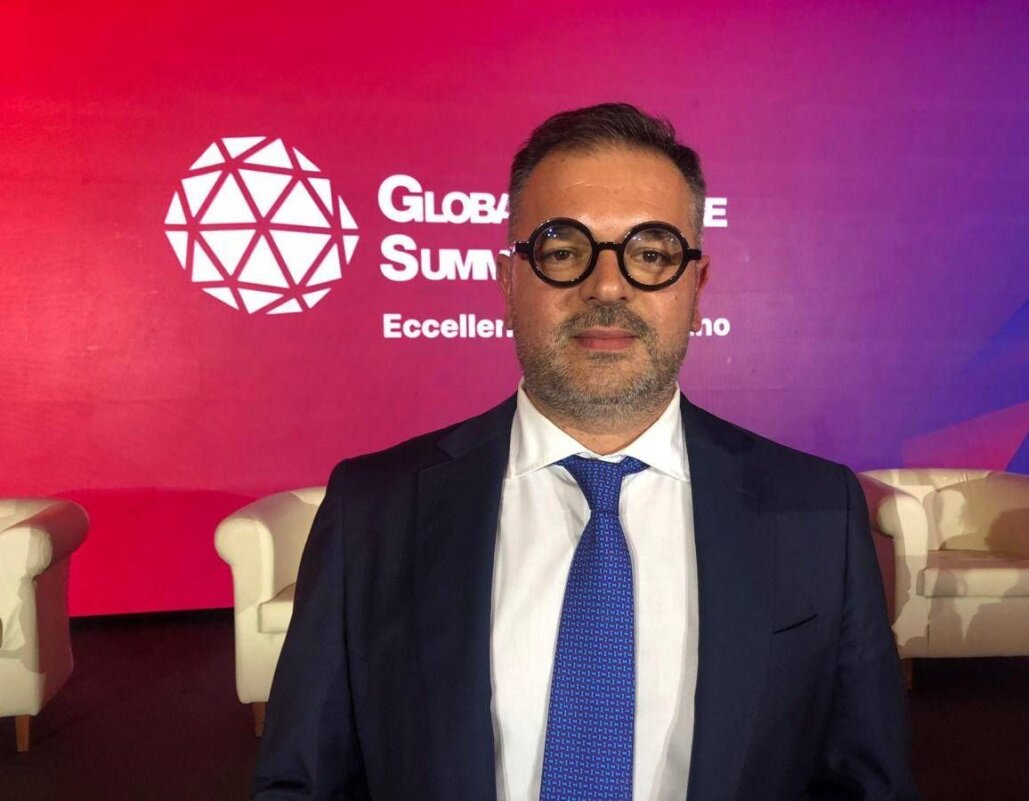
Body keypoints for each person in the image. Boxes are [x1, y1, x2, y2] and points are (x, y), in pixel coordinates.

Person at [252, 103, 919, 801]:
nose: (607, 286)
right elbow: (301, 783)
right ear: (509, 282)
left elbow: (864, 784)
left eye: (652, 253)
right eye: (564, 250)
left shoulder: (817, 513)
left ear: (697, 289)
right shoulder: (373, 511)